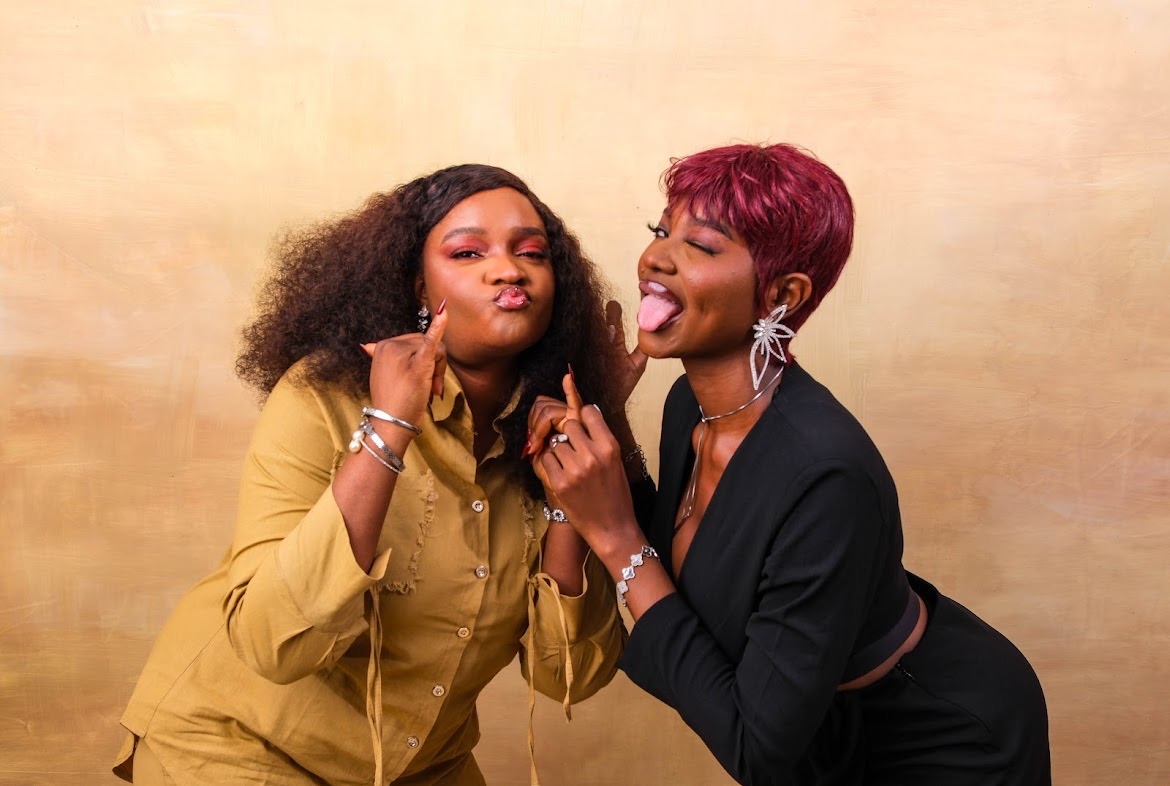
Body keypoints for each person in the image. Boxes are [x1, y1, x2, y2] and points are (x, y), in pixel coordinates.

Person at [529, 143, 1051, 785]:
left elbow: (756, 748)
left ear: (780, 294)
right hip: (813, 730)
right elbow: (693, 557)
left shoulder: (825, 475)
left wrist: (615, 539)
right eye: (662, 232)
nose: (656, 259)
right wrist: (601, 424)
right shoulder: (688, 403)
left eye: (702, 245)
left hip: (937, 740)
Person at [113, 164, 644, 786]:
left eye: (531, 253)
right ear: (420, 290)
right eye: (468, 252)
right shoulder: (323, 397)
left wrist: (568, 499)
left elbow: (568, 679)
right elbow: (272, 644)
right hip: (241, 746)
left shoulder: (550, 431)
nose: (509, 270)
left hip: (421, 765)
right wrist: (390, 427)